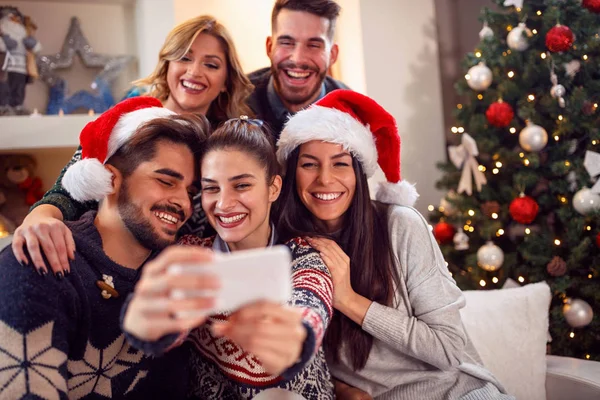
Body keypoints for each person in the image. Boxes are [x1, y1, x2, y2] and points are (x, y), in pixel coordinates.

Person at [275, 90, 515, 400]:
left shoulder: (400, 225)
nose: (325, 179)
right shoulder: (286, 247)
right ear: (292, 173)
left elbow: (449, 348)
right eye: (309, 165)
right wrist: (342, 388)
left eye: (340, 164)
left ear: (359, 173)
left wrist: (347, 299)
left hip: (457, 393)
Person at [0, 97, 213, 399]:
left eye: (190, 192)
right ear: (111, 178)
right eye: (166, 181)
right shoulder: (38, 263)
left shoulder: (173, 280)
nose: (182, 202)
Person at [12, 15, 253, 277]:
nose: (195, 72)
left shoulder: (227, 145)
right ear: (167, 65)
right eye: (184, 58)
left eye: (211, 64)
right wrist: (40, 218)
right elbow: (70, 187)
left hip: (183, 276)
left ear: (226, 81)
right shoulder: (130, 119)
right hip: (103, 270)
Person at [122, 118, 335, 399]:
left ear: (273, 188)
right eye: (211, 188)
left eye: (241, 186)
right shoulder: (192, 255)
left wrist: (298, 338)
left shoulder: (304, 258)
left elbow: (311, 309)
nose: (223, 204)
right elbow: (170, 320)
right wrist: (146, 324)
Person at [248, 0, 348, 139]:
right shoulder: (235, 100)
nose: (298, 59)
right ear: (270, 47)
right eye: (287, 43)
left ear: (332, 54)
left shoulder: (352, 113)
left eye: (313, 45)